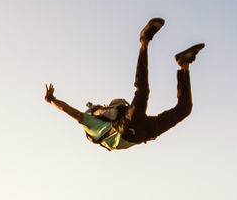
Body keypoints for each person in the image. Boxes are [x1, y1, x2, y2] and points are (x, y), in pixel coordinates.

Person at [45, 18, 203, 150]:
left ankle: (144, 42)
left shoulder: (93, 128)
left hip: (129, 128)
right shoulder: (89, 122)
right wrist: (51, 99)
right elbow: (69, 110)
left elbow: (69, 110)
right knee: (185, 109)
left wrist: (51, 99)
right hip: (144, 132)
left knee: (143, 92)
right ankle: (184, 65)